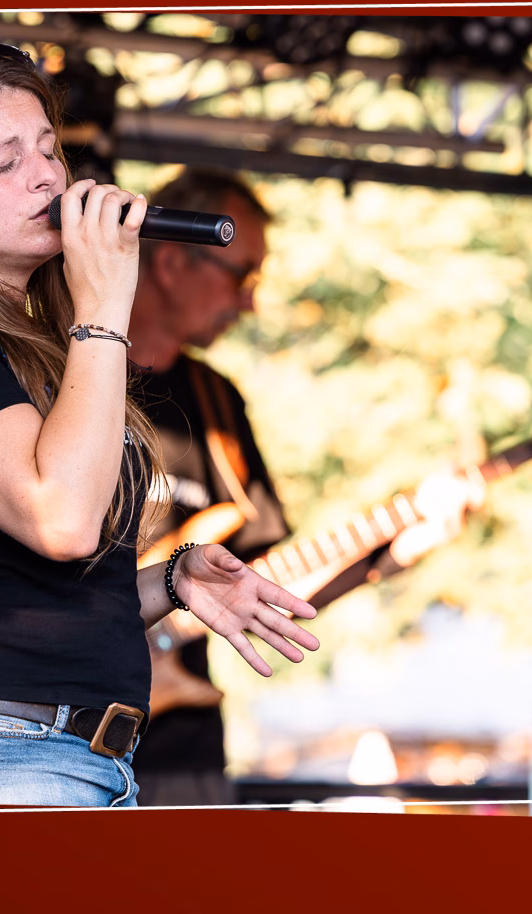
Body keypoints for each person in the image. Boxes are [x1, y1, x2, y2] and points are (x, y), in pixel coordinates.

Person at [0, 45, 319, 808]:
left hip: (72, 755)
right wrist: (105, 306)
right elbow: (61, 519)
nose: (47, 178)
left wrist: (171, 581)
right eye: (4, 161)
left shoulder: (45, 350)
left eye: (50, 151)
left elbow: (50, 589)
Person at [125, 169, 481, 806]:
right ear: (173, 263)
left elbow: (269, 585)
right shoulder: (58, 373)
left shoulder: (216, 402)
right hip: (57, 738)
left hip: (180, 752)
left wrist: (398, 550)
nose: (249, 303)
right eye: (241, 275)